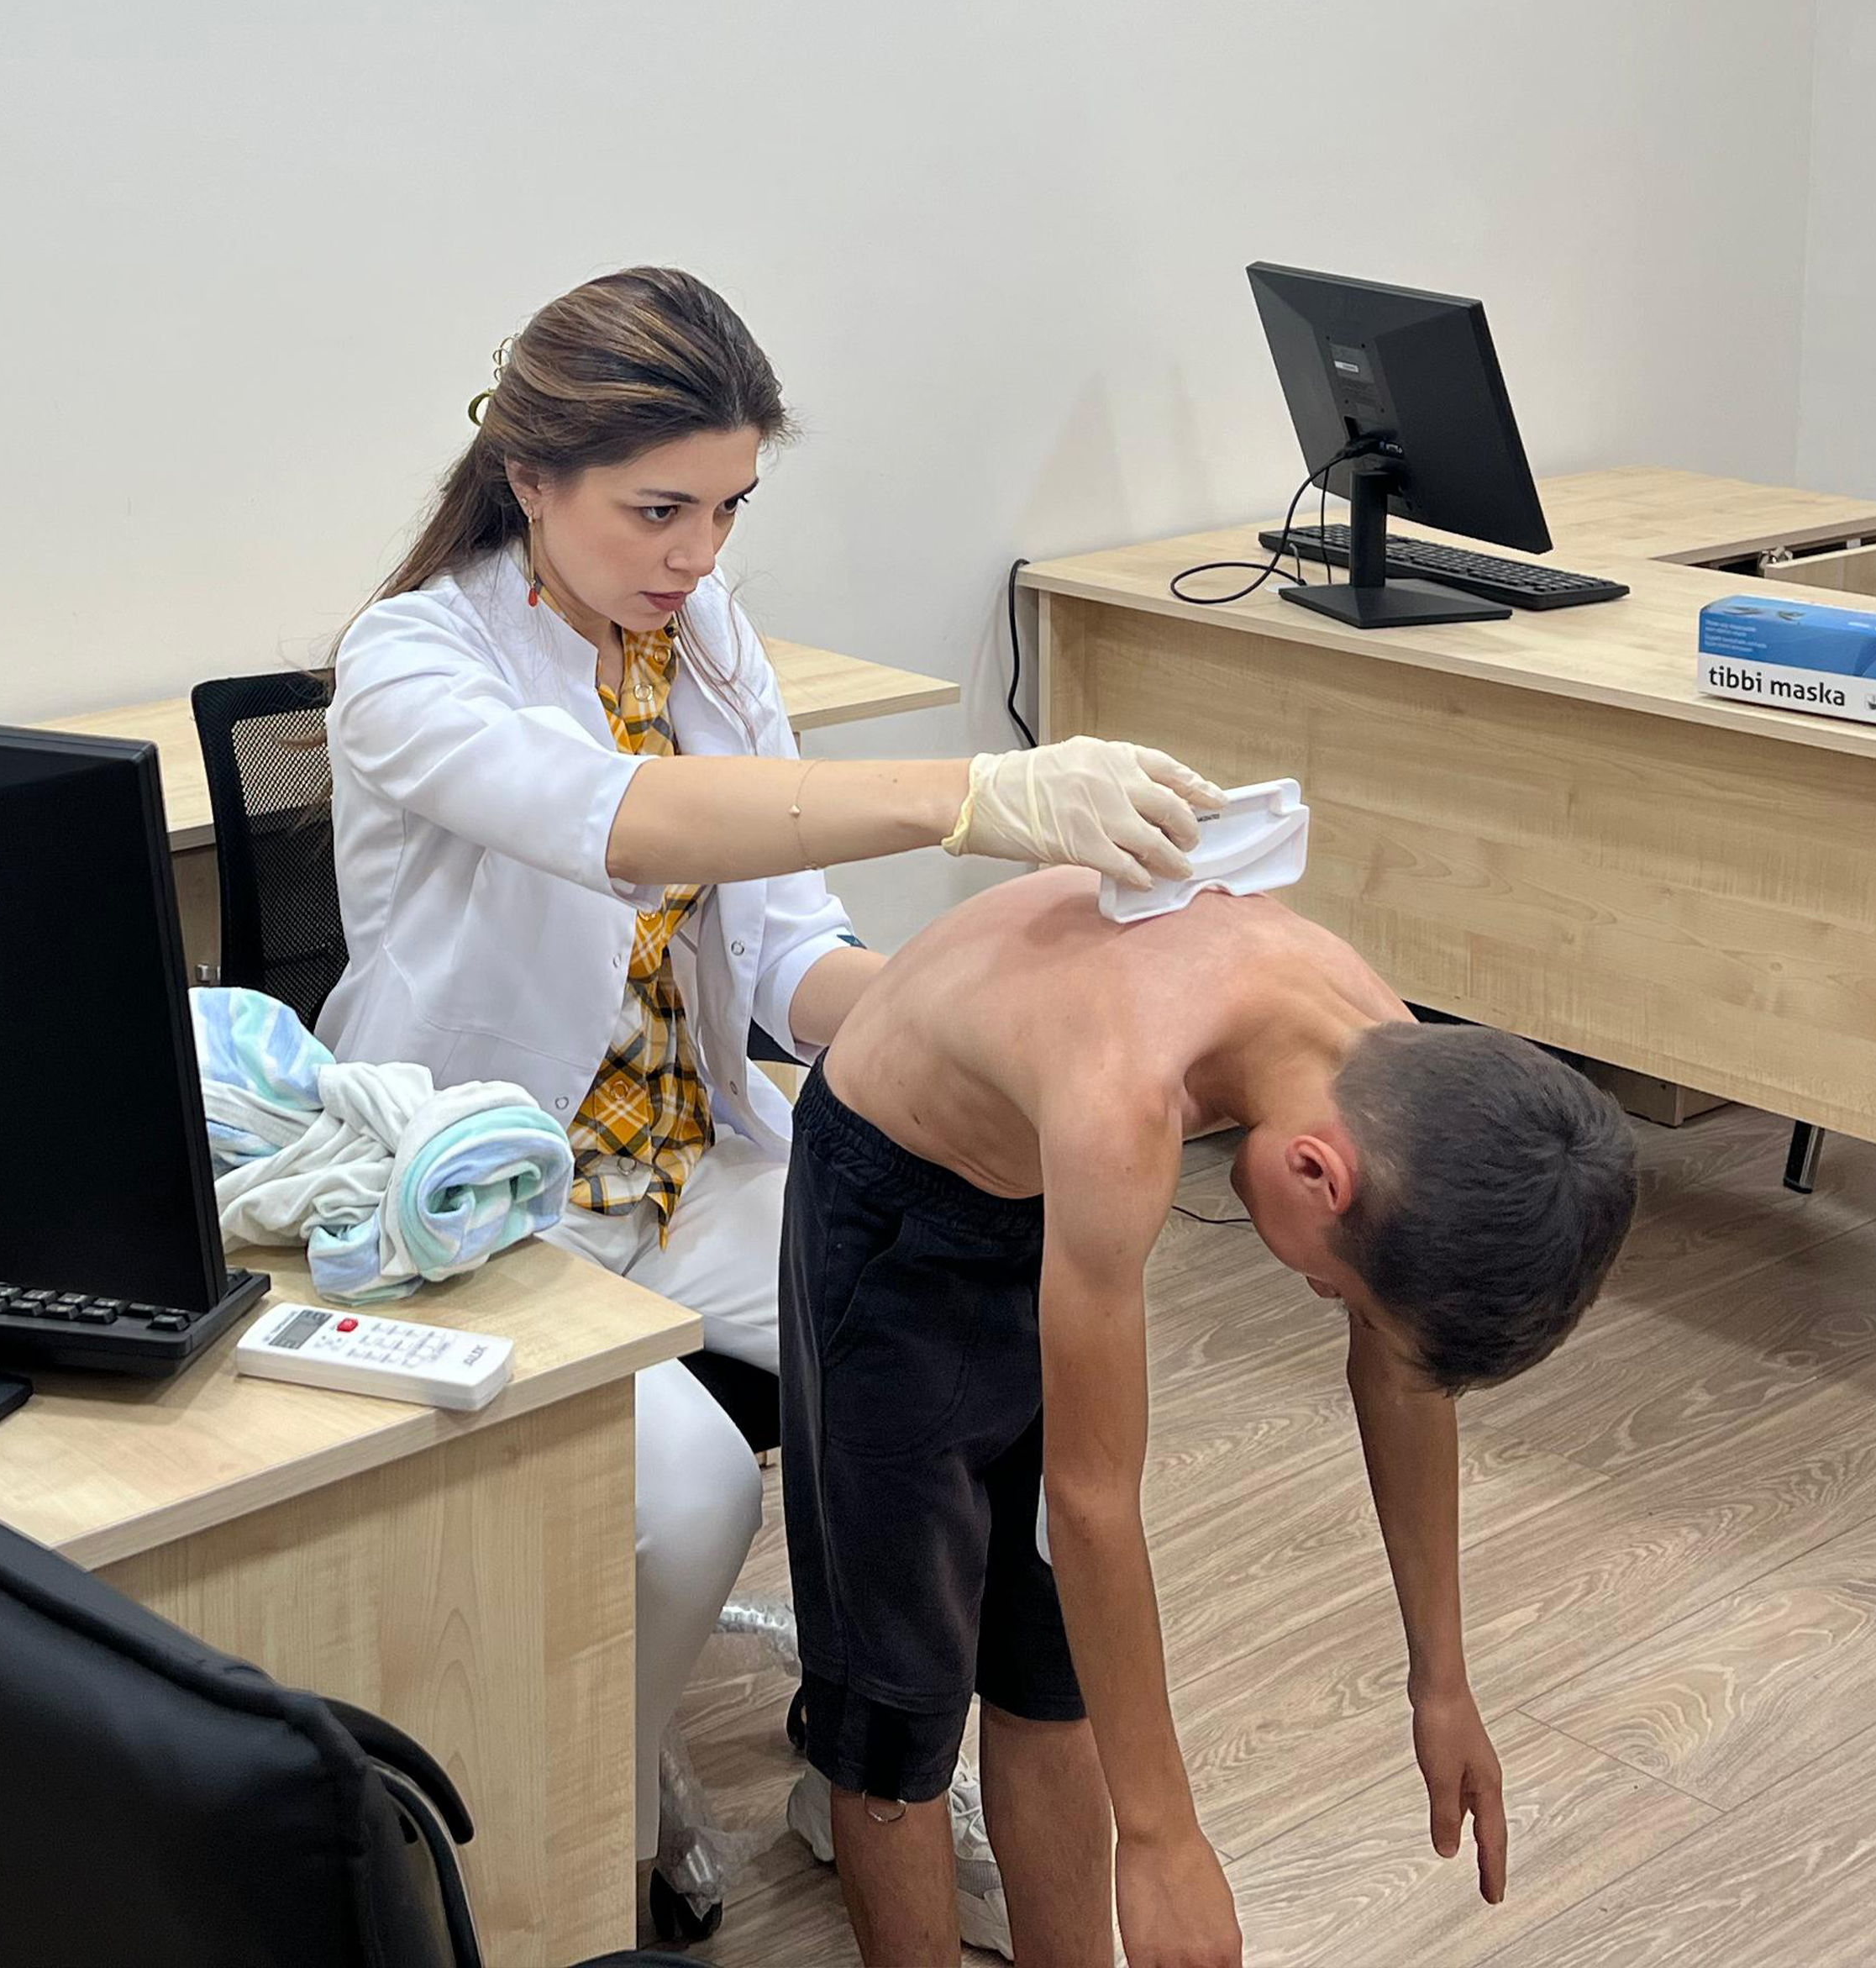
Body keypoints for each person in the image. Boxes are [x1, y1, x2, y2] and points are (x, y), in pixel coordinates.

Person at [315, 266, 1227, 1916]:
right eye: (660, 510)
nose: (699, 558)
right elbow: (623, 822)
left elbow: (796, 957)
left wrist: (975, 1034)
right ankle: (596, 1802)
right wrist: (975, 795)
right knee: (686, 1489)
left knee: (985, 1336)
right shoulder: (408, 666)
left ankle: (868, 1761)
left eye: (729, 509)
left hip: (689, 1161)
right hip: (487, 1201)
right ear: (530, 477)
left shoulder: (700, 635)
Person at [780, 867, 1637, 1968]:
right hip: (896, 1203)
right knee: (895, 1715)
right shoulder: (1123, 1090)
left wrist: (1443, 1676)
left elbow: (1399, 1378)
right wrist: (1163, 1836)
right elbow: (1094, 1503)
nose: (1330, 1304)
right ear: (1318, 1173)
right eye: (1338, 1292)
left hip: (1047, 1194)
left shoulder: (1400, 1072)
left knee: (1055, 1671)